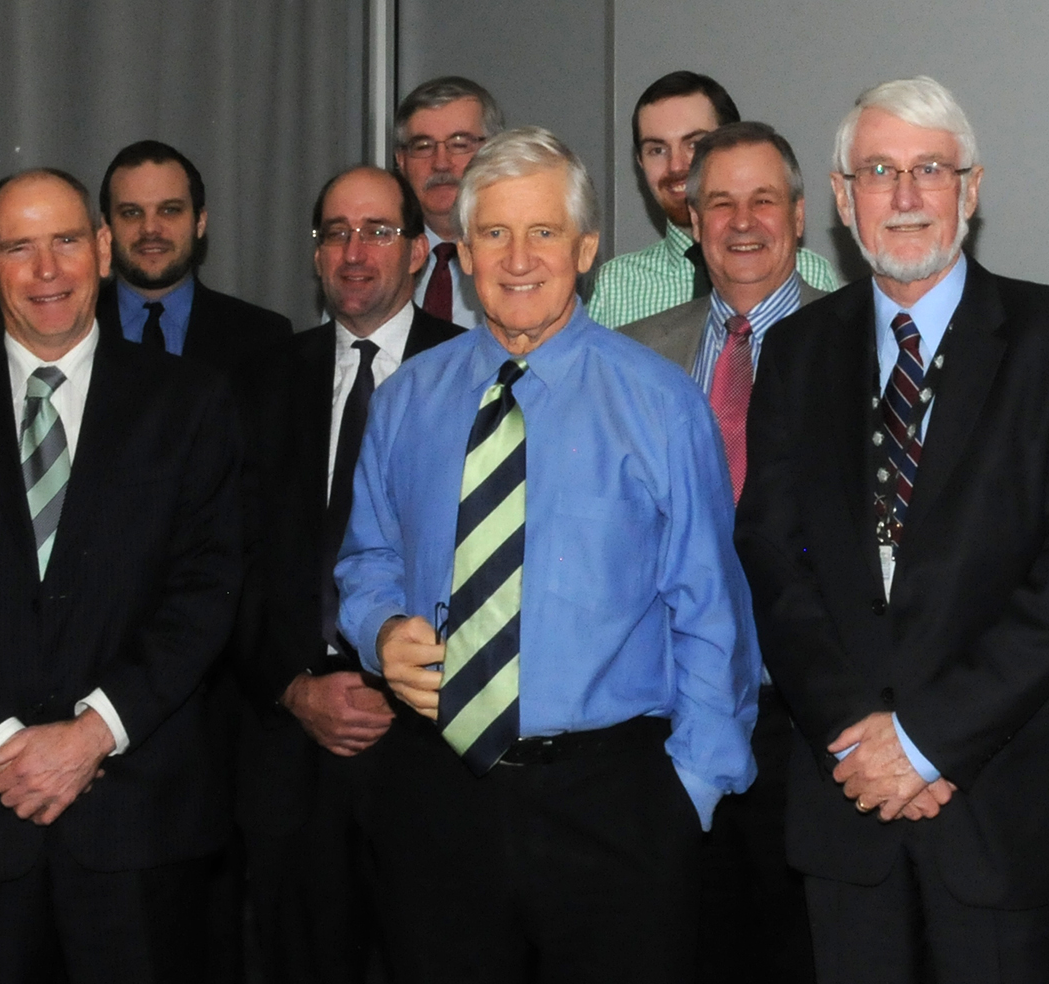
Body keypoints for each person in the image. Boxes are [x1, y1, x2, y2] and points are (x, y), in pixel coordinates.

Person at [332, 126, 760, 984]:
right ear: (459, 248)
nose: (518, 258)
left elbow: (711, 608)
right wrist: (378, 628)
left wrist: (691, 795)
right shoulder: (409, 397)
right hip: (438, 801)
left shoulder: (660, 403)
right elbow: (365, 557)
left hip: (615, 806)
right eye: (494, 233)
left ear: (587, 249)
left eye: (543, 232)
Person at [737, 76, 1049, 984]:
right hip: (848, 808)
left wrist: (923, 742)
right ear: (841, 198)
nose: (905, 196)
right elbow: (772, 556)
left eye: (928, 170)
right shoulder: (795, 354)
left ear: (972, 188)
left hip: (1006, 806)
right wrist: (855, 734)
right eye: (878, 171)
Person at [0, 167, 244, 982]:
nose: (46, 270)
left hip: (138, 826)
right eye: (18, 248)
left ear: (102, 250)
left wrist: (92, 733)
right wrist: (3, 749)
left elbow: (206, 594)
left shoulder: (191, 402)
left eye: (65, 240)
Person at [227, 163, 465, 984]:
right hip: (292, 752)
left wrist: (405, 686)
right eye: (336, 232)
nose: (355, 252)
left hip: (435, 748)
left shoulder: (473, 372)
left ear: (417, 253)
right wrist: (292, 686)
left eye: (377, 232)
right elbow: (226, 565)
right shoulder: (257, 381)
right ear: (315, 253)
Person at [619, 119, 826, 983]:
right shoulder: (635, 355)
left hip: (810, 715)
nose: (743, 222)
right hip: (664, 712)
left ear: (801, 215)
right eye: (720, 203)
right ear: (691, 221)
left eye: (763, 200)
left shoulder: (860, 345)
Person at [590, 72, 841, 327]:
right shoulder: (616, 286)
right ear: (639, 162)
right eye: (657, 150)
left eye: (695, 144)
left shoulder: (809, 273)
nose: (676, 166)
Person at [94, 139, 295, 370]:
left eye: (169, 210)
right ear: (106, 228)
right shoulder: (72, 326)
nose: (150, 228)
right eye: (131, 212)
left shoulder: (265, 337)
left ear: (200, 222)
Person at [392, 76, 501, 328]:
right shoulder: (375, 260)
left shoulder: (523, 260)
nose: (441, 162)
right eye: (423, 146)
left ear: (494, 152)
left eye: (460, 144)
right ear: (401, 160)